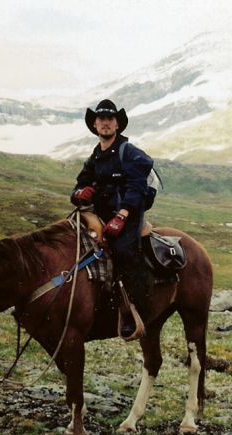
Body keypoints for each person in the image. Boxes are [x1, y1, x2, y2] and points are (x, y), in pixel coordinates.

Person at [71, 99, 155, 336]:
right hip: (101, 214)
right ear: (95, 124)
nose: (105, 123)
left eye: (110, 119)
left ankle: (136, 311)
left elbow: (137, 186)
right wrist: (79, 193)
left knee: (123, 251)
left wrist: (122, 215)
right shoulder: (95, 156)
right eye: (101, 119)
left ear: (117, 124)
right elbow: (79, 184)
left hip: (128, 214)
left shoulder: (129, 152)